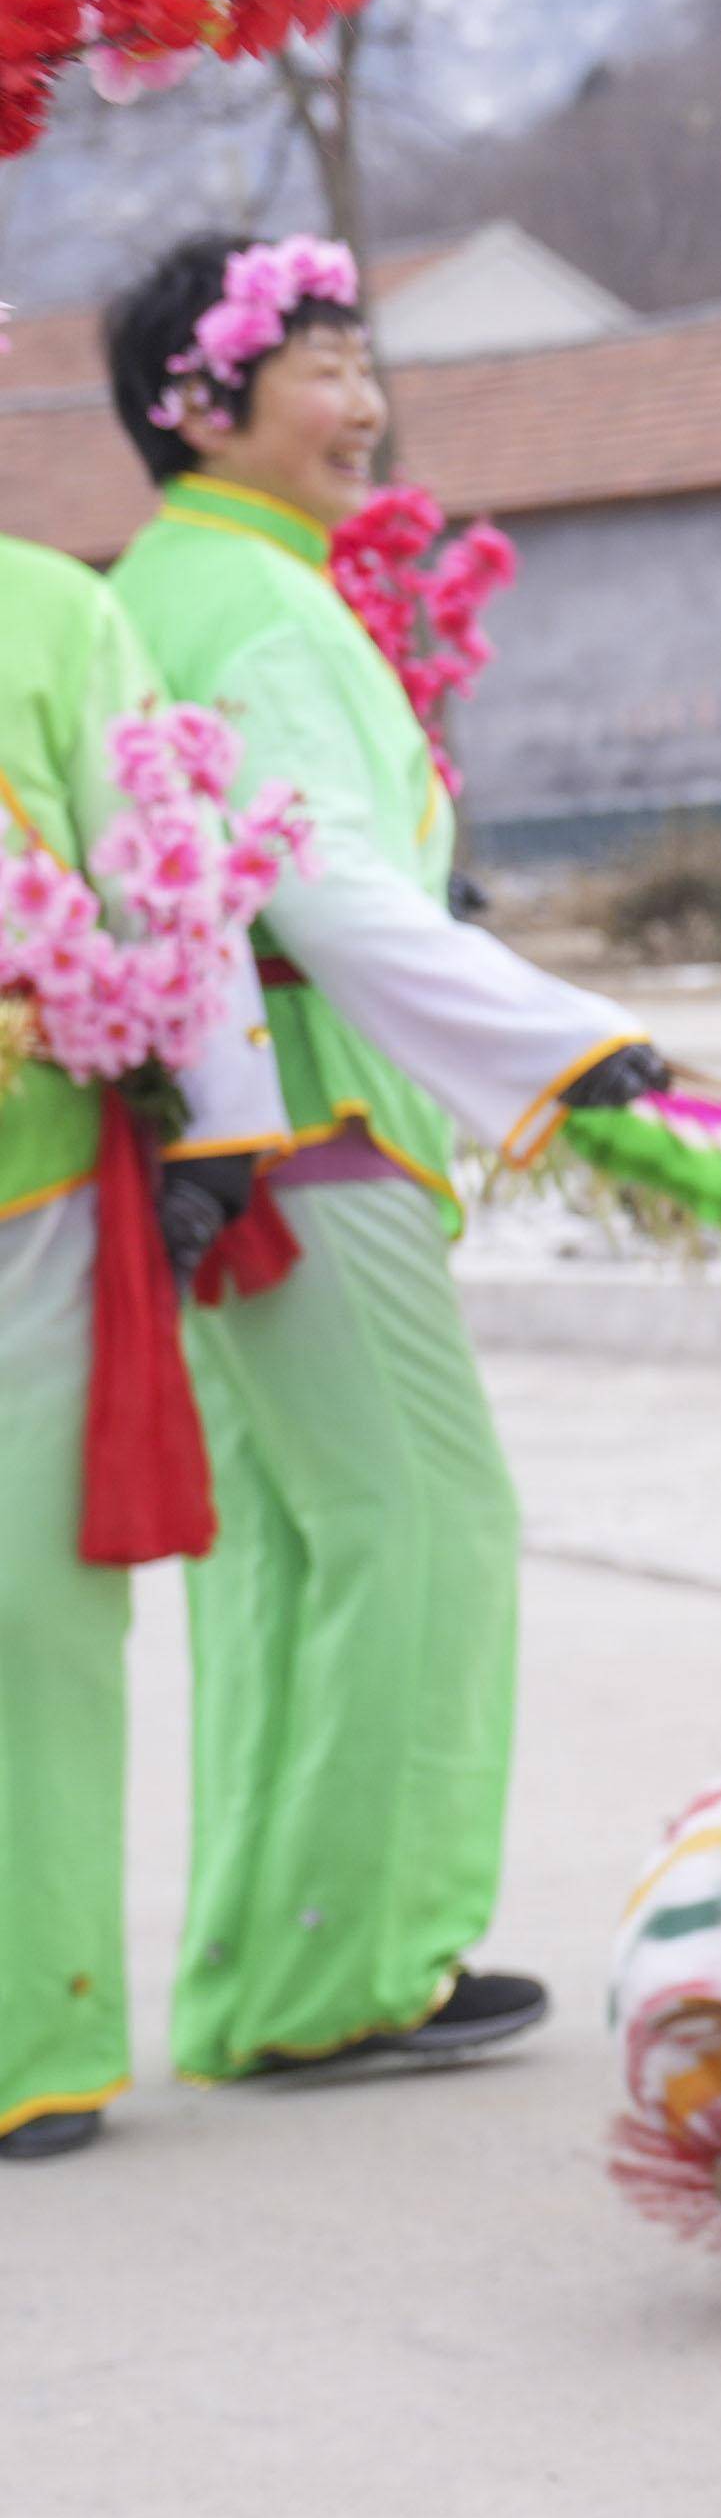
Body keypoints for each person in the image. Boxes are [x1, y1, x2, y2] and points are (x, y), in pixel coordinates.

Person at [102, 232, 666, 2087]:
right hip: (318, 1119)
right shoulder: (258, 608)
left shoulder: (176, 588)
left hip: (219, 1136)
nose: (366, 405)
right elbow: (320, 889)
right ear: (205, 404)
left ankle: (275, 1974)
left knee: (287, 1549)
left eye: (366, 363)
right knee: (422, 1519)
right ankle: (360, 1973)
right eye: (322, 365)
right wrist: (555, 1041)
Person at [0, 533, 289, 2158]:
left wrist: (218, 1127)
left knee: (32, 1610)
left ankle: (32, 2027)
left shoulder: (50, 607)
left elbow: (153, 864)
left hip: (23, 1181)